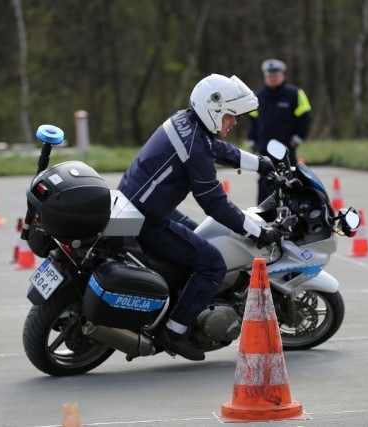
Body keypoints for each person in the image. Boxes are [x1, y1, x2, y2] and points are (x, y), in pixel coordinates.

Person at [117, 74, 280, 361]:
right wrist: (257, 232)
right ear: (214, 111)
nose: (235, 122)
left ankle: (185, 304)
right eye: (231, 116)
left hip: (139, 205)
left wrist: (261, 164)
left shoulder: (186, 121)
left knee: (202, 235)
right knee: (213, 263)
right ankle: (174, 330)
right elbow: (214, 203)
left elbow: (218, 149)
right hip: (148, 219)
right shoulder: (195, 147)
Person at [247, 59, 313, 204]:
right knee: (265, 181)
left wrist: (298, 138)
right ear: (265, 77)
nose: (273, 78)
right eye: (269, 75)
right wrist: (252, 140)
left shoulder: (295, 94)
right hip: (264, 148)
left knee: (290, 180)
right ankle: (264, 215)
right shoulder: (258, 97)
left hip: (287, 149)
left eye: (276, 75)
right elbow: (253, 122)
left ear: (282, 75)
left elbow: (305, 117)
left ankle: (291, 210)